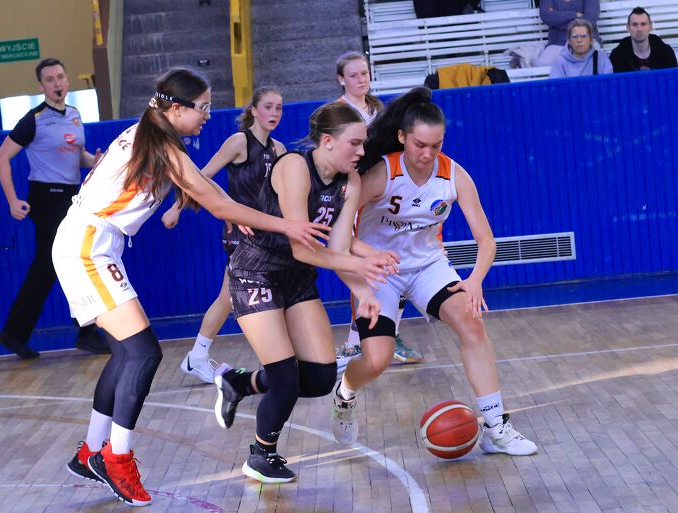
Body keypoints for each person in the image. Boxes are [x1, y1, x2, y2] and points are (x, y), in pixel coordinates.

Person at [54, 68, 331, 506]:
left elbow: (202, 189)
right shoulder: (161, 145)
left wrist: (230, 208)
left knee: (127, 353)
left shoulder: (151, 133)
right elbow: (213, 199)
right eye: (202, 107)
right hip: (87, 248)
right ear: (176, 108)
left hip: (91, 242)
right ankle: (116, 459)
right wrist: (285, 224)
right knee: (144, 354)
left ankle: (91, 450)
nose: (208, 114)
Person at [331, 87, 538, 458]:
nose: (427, 154)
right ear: (402, 137)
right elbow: (339, 231)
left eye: (436, 145)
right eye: (420, 145)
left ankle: (496, 428)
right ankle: (344, 394)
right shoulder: (381, 173)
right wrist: (369, 256)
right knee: (377, 359)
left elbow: (486, 240)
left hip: (427, 265)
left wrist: (474, 281)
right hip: (379, 271)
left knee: (472, 323)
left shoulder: (454, 175)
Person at [213, 101, 398, 483]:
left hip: (296, 278)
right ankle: (261, 455)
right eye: (355, 143)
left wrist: (364, 292)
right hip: (255, 272)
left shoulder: (350, 181)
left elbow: (339, 246)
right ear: (327, 141)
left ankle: (239, 383)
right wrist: (359, 266)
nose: (361, 151)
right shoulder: (295, 166)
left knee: (318, 378)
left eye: (363, 144)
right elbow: (302, 247)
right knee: (285, 378)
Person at [161, 86, 286, 384]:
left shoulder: (279, 149)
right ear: (254, 110)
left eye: (279, 108)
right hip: (240, 233)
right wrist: (176, 208)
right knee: (240, 297)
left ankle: (200, 356)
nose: (274, 113)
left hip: (265, 233)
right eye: (268, 107)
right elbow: (200, 177)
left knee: (232, 296)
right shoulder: (239, 142)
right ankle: (273, 362)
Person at [0, 57, 110, 359]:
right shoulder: (33, 119)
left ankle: (13, 333)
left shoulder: (74, 115)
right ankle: (87, 331)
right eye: (50, 79)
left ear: (67, 80)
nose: (57, 83)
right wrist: (12, 200)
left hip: (70, 197)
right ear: (42, 86)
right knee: (76, 259)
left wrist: (94, 161)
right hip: (46, 199)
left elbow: (77, 156)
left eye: (60, 77)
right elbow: (1, 158)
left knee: (46, 267)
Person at [335, 51, 424, 370]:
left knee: (396, 260)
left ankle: (391, 333)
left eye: (365, 73)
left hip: (384, 196)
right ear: (341, 79)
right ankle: (354, 343)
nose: (361, 79)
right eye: (354, 74)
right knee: (360, 265)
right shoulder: (338, 113)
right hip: (353, 194)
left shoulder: (379, 110)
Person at [610, 7, 678, 72]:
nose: (639, 29)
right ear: (628, 28)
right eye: (635, 24)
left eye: (643, 24)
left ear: (650, 27)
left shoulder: (666, 53)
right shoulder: (617, 56)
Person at [537, 0, 600, 67]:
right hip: (557, 43)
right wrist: (575, 14)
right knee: (542, 64)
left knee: (591, 63)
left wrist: (558, 20)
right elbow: (546, 16)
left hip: (586, 41)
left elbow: (589, 19)